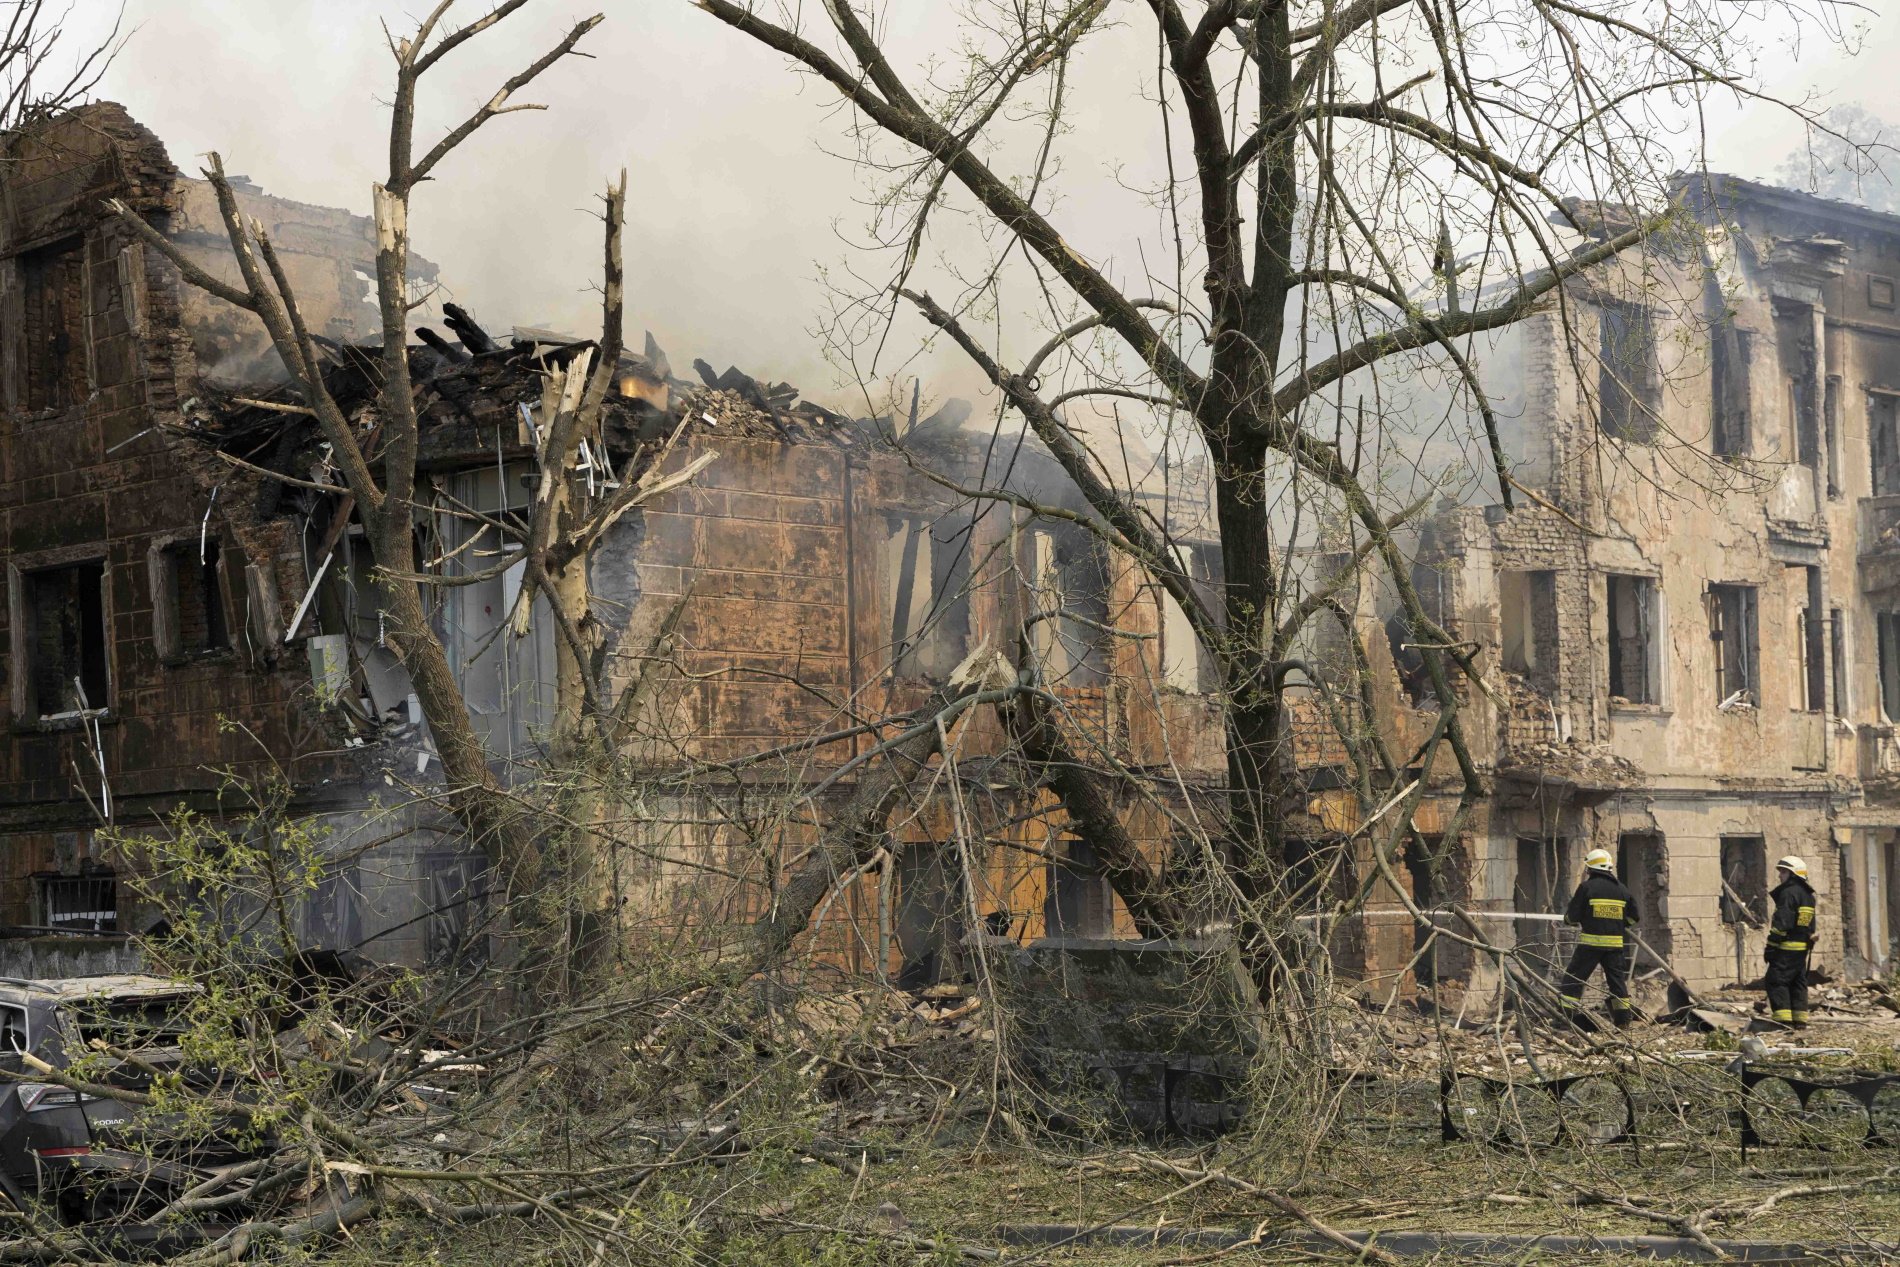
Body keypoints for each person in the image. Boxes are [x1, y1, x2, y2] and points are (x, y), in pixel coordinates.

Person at [1559, 848, 1639, 1029]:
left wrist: (1569, 920)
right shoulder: (1622, 890)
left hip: (1590, 946)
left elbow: (1572, 917)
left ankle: (1565, 1018)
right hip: (1615, 946)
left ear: (1591, 868)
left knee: (1573, 980)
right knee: (1617, 984)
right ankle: (1623, 1022)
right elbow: (1634, 918)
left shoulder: (1586, 888)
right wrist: (1618, 924)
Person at [1764, 856, 1817, 1029]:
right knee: (1797, 983)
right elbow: (1809, 925)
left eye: (1783, 872)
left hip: (1785, 948)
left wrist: (1771, 947)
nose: (1780, 876)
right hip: (1801, 949)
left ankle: (1783, 1022)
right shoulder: (1808, 895)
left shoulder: (1788, 893)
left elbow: (1782, 923)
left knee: (1776, 981)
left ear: (1793, 874)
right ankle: (1800, 1021)